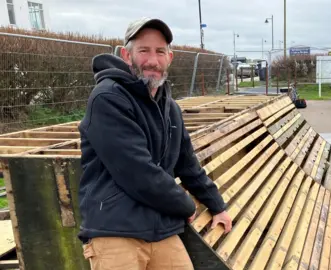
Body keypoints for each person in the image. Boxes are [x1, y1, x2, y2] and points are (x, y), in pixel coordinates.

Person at [77, 17, 232, 270]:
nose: (152, 60)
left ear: (169, 58)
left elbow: (187, 164)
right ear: (127, 55)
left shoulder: (169, 108)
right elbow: (137, 172)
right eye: (143, 51)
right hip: (116, 228)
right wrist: (183, 204)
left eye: (160, 51)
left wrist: (217, 205)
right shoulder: (107, 98)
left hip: (161, 227)